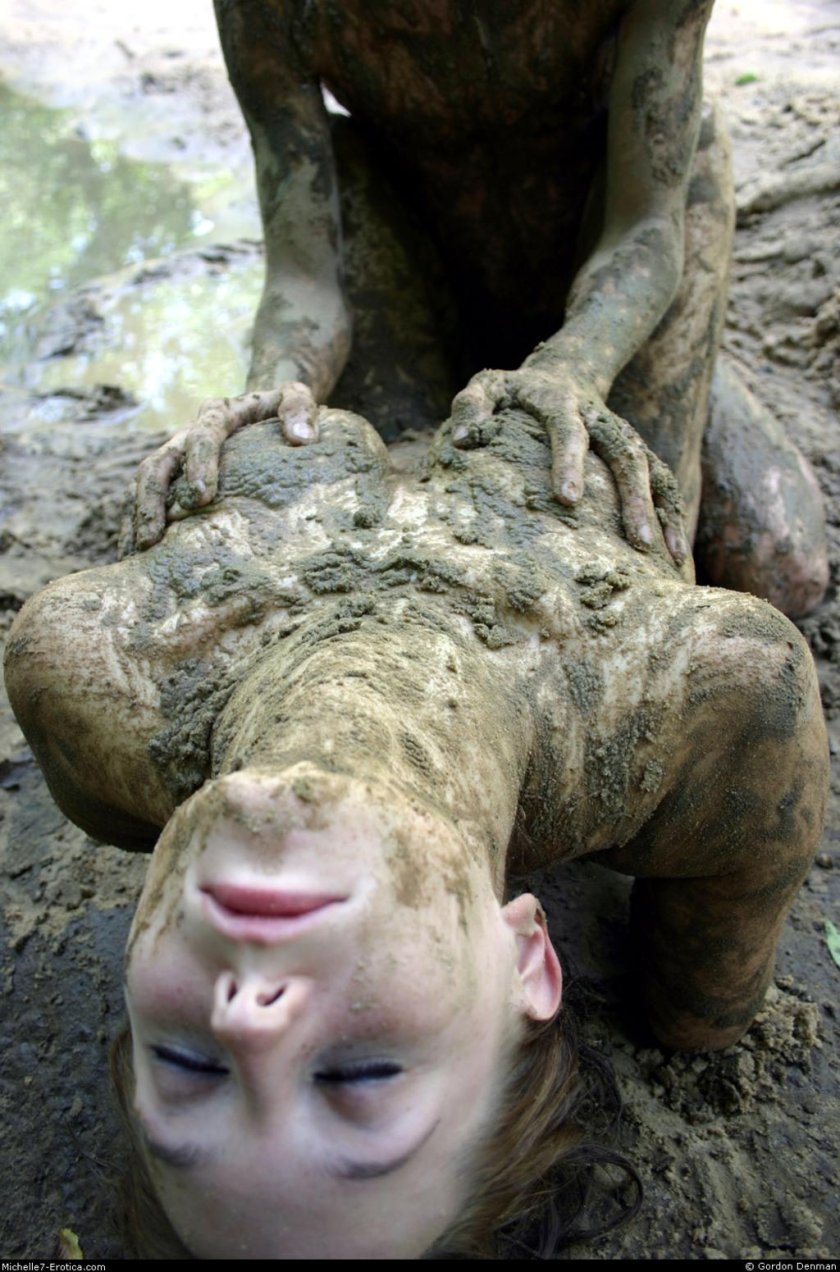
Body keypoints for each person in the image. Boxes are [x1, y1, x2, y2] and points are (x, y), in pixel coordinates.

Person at [4, 400, 827, 1257]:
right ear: (525, 961)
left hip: (385, 353)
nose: (247, 1021)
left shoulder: (87, 670)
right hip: (613, 349)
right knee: (786, 565)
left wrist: (280, 380)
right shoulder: (712, 697)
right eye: (359, 1075)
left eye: (187, 1065)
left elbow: (309, 284)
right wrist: (577, 364)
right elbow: (710, 981)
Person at [127, 0, 828, 617]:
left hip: (610, 252)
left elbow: (645, 230)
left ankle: (688, 374)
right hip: (417, 280)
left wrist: (574, 367)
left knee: (768, 569)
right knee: (382, 543)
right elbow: (306, 279)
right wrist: (272, 380)